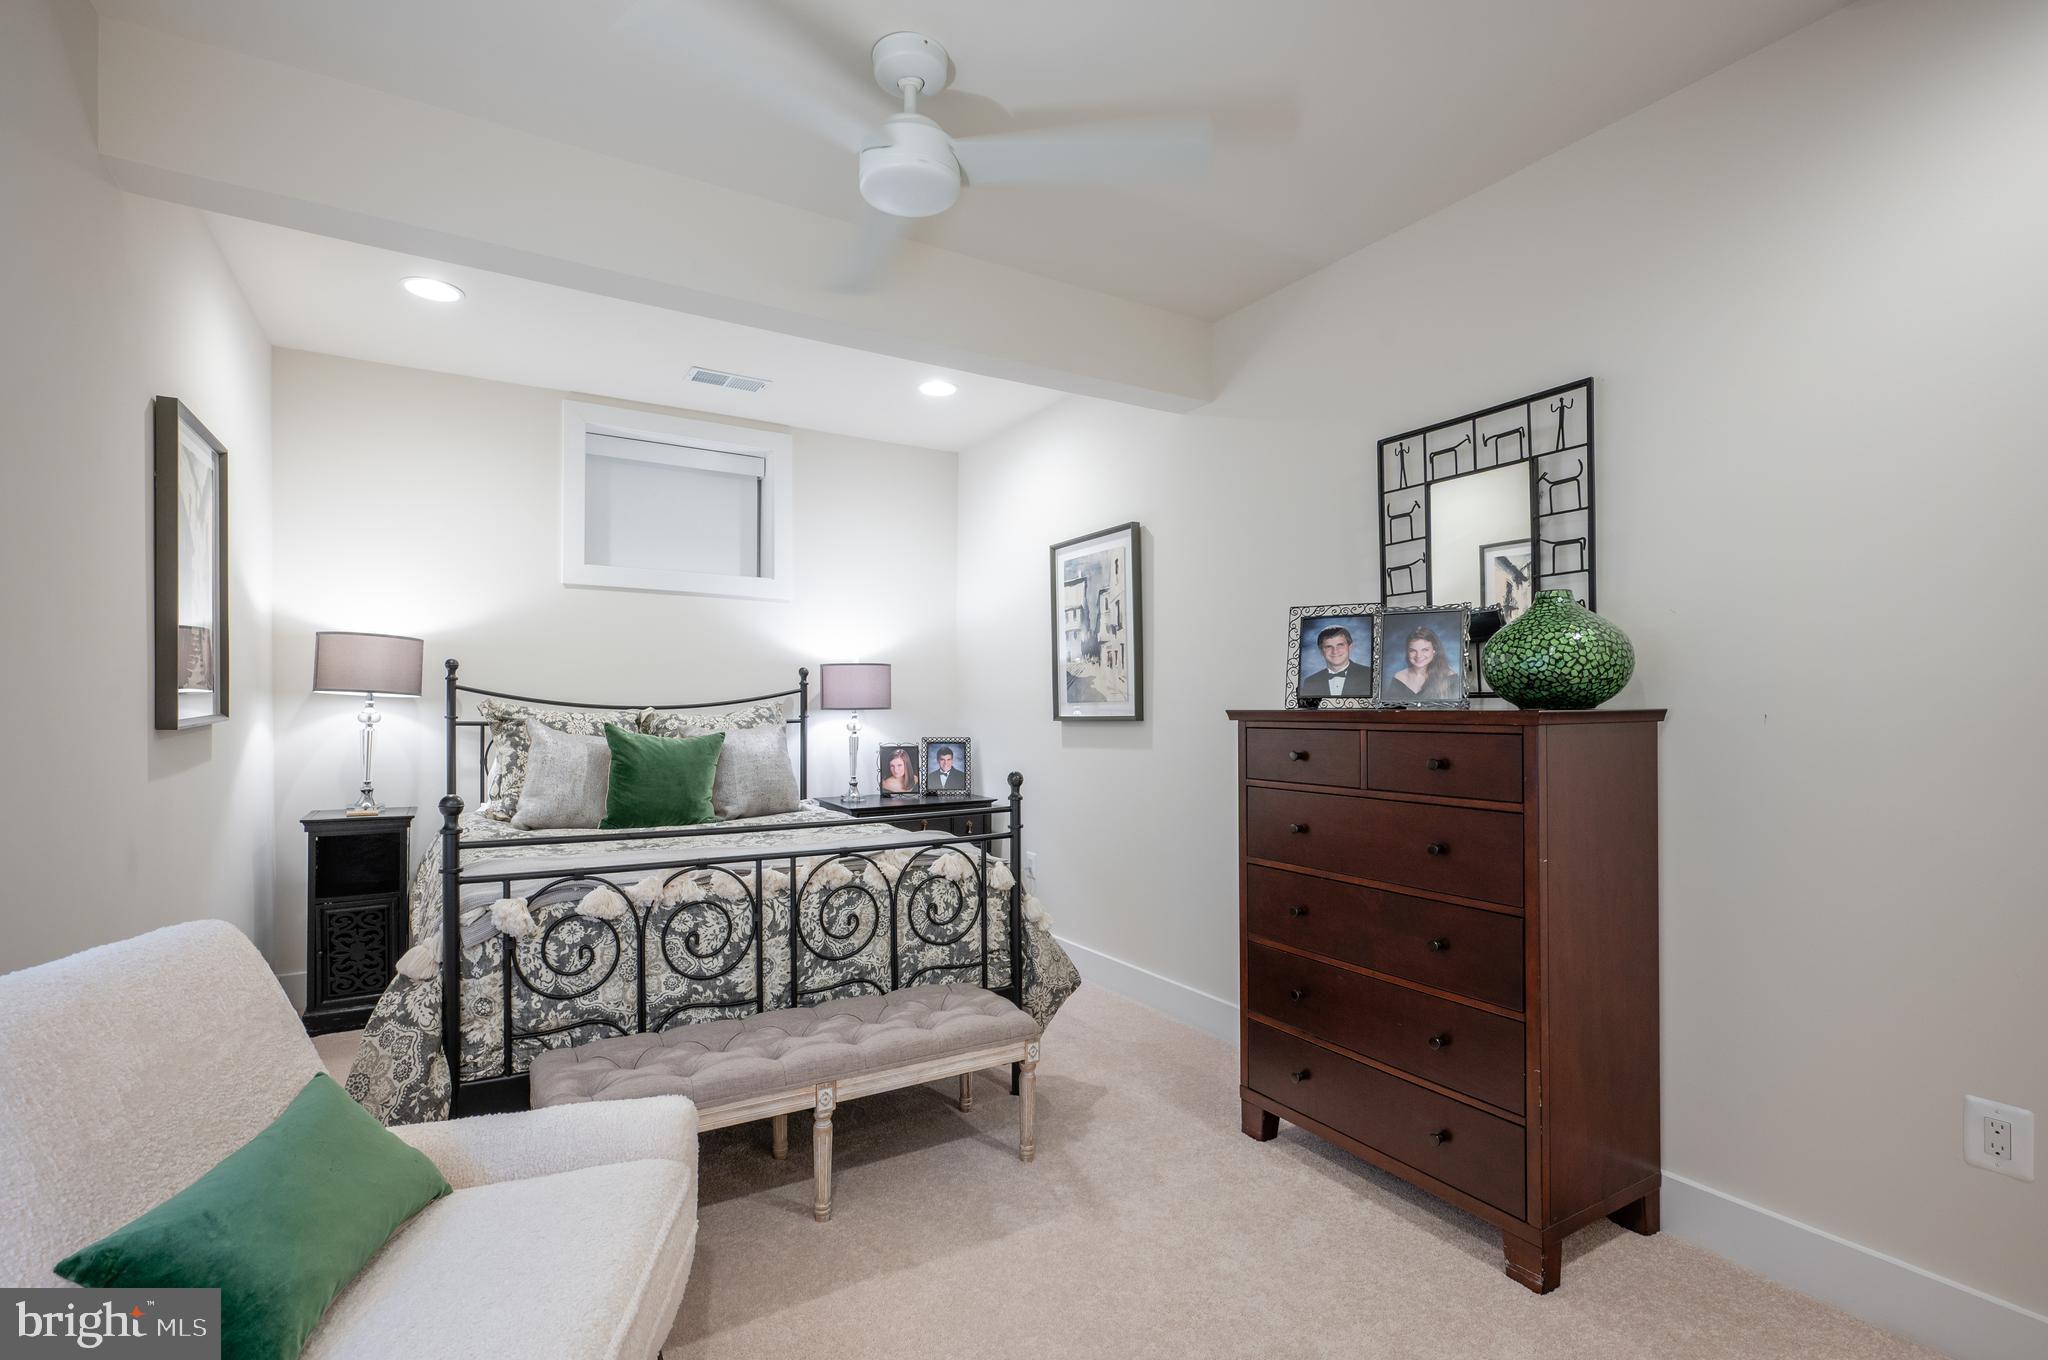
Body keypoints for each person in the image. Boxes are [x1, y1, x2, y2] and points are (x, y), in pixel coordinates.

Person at [1385, 625, 1459, 701]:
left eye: (1425, 650)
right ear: (1408, 652)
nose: (1418, 655)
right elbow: (1389, 710)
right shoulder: (1399, 677)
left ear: (1434, 650)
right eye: (1413, 650)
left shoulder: (1450, 678)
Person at [1297, 624, 1367, 698]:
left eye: (1340, 645)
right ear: (1321, 651)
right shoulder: (1310, 682)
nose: (1335, 651)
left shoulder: (1367, 674)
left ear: (1350, 647)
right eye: (1328, 647)